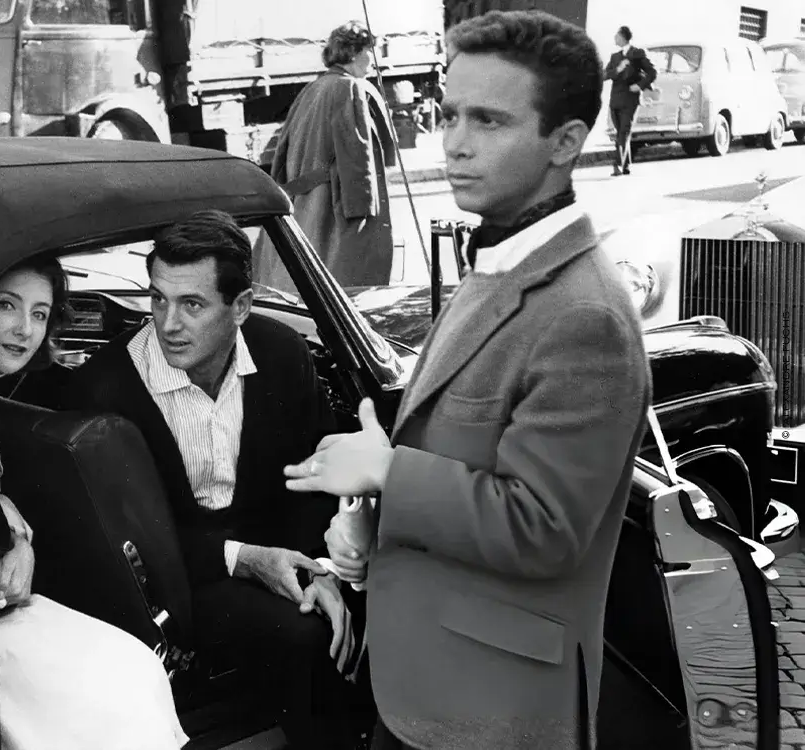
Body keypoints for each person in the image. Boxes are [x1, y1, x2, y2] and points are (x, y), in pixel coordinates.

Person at [283, 10, 652, 750]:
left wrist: (388, 471)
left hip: (492, 711)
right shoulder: (501, 261)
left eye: (488, 120)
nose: (454, 142)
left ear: (567, 143)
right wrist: (367, 523)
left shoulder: (587, 316)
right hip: (424, 684)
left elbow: (544, 530)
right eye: (449, 114)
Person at [67, 210, 366, 749]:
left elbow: (311, 480)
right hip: (178, 581)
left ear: (242, 307)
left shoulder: (282, 354)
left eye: (192, 304)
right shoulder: (105, 387)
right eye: (157, 298)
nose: (167, 323)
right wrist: (247, 559)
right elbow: (127, 541)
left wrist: (316, 571)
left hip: (281, 555)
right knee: (303, 639)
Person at [0, 258, 189, 750]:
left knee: (130, 668)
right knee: (120, 685)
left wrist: (4, 510)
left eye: (40, 314)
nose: (25, 329)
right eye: (7, 305)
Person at [256, 21, 397, 288]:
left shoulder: (314, 88)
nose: (374, 59)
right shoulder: (349, 88)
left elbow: (282, 155)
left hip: (307, 200)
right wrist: (362, 225)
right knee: (343, 279)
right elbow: (358, 164)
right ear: (354, 53)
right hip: (333, 206)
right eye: (370, 50)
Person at [604, 25, 657, 176]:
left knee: (624, 132)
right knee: (621, 133)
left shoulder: (637, 53)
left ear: (622, 36)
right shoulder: (615, 57)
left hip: (630, 100)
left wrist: (640, 86)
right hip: (615, 101)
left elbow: (652, 72)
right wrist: (618, 69)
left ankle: (618, 165)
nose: (614, 38)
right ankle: (626, 165)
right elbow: (604, 75)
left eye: (616, 35)